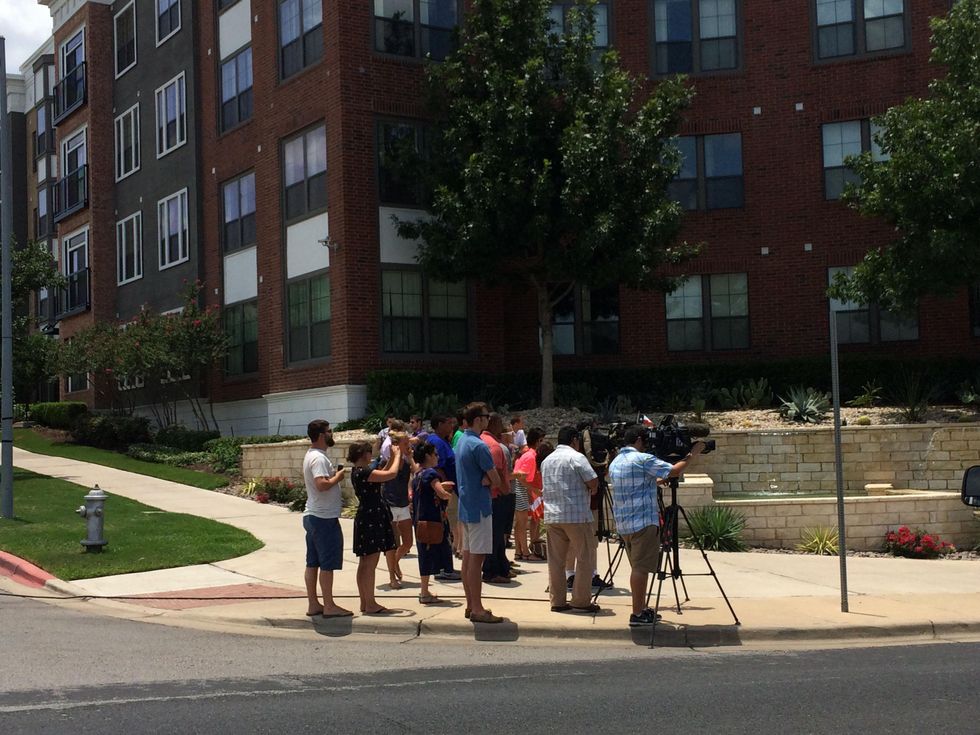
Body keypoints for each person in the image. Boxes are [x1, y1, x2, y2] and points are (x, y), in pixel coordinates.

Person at [607, 426, 704, 627]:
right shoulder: (642, 459)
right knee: (642, 569)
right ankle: (637, 614)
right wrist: (692, 454)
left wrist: (658, 481)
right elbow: (675, 470)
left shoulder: (616, 461)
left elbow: (638, 482)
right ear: (640, 440)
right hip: (643, 522)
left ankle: (642, 609)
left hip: (625, 524)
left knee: (637, 567)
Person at [541, 425, 601, 614]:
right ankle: (581, 600)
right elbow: (592, 482)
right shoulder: (577, 457)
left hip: (552, 516)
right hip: (576, 516)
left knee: (556, 561)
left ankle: (557, 601)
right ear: (575, 440)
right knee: (585, 558)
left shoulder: (547, 460)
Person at [455, 402, 503, 623]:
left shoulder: (462, 441)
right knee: (477, 560)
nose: (489, 419)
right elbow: (496, 478)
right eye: (486, 416)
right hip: (481, 508)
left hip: (466, 507)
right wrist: (491, 480)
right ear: (478, 420)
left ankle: (470, 604)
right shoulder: (479, 445)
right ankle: (477, 608)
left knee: (467, 559)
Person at [301, 420, 350, 618]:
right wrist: (338, 477)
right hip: (323, 518)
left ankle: (314, 603)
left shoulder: (311, 455)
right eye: (329, 431)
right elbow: (321, 484)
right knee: (327, 563)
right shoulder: (319, 459)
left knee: (312, 562)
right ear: (321, 435)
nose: (332, 434)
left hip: (314, 515)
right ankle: (329, 606)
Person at [349, 440, 402, 615]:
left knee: (364, 562)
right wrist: (399, 454)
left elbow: (383, 472)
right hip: (372, 517)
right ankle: (370, 603)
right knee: (370, 562)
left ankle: (365, 602)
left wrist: (392, 457)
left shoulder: (357, 471)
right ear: (364, 454)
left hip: (367, 516)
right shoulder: (364, 472)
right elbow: (392, 474)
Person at [412, 442, 455, 603]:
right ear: (428, 456)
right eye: (435, 454)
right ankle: (424, 593)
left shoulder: (418, 474)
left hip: (420, 520)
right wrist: (449, 495)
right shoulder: (431, 473)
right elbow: (442, 493)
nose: (437, 457)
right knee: (432, 553)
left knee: (424, 555)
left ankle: (424, 590)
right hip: (432, 521)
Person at [481, 414, 514, 584]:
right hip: (496, 496)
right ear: (494, 424)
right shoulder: (494, 446)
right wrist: (505, 490)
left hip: (489, 495)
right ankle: (491, 571)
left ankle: (502, 566)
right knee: (495, 535)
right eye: (500, 423)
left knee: (497, 534)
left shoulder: (483, 441)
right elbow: (496, 472)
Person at [429, 414, 462, 580]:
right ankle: (444, 568)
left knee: (447, 528)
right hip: (445, 490)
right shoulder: (436, 442)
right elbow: (438, 467)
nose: (452, 425)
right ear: (439, 424)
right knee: (445, 527)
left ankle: (445, 566)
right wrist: (444, 489)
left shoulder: (443, 441)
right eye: (449, 422)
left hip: (450, 488)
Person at [382, 431, 416, 590]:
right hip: (390, 503)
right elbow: (385, 473)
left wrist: (409, 457)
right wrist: (394, 457)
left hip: (402, 503)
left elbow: (416, 471)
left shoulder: (407, 462)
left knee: (408, 542)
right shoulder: (388, 461)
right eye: (405, 443)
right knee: (393, 544)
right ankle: (391, 577)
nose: (408, 446)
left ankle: (395, 562)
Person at [512, 428, 546, 562]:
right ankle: (525, 552)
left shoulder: (526, 454)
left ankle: (518, 551)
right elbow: (521, 478)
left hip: (520, 488)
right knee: (522, 522)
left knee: (519, 523)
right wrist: (533, 491)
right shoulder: (531, 456)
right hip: (520, 488)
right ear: (538, 441)